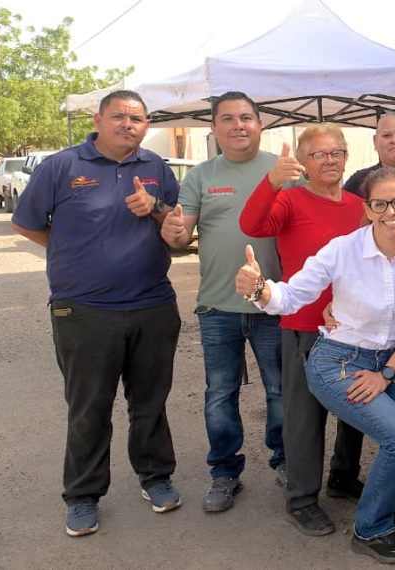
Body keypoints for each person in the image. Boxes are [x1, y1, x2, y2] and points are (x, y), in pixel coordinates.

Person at [236, 167, 395, 564]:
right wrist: (261, 289)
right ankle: (371, 528)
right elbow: (293, 295)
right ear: (366, 209)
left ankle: (389, 499)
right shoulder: (342, 249)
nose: (390, 212)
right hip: (338, 362)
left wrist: (386, 374)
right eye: (379, 204)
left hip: (389, 364)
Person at [11, 90, 183, 536]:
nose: (129, 124)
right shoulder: (63, 166)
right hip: (84, 310)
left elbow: (176, 228)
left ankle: (156, 476)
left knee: (150, 401)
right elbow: (26, 222)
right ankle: (83, 495)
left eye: (138, 118)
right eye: (120, 116)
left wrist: (159, 210)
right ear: (99, 119)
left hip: (152, 304)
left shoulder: (156, 168)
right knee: (89, 408)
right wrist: (72, 251)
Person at [159, 91, 286, 512]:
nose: (238, 125)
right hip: (217, 307)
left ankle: (285, 462)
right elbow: (181, 235)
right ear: (213, 128)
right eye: (228, 119)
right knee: (219, 394)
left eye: (246, 117)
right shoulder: (200, 176)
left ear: (260, 123)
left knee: (281, 391)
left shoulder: (282, 170)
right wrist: (174, 232)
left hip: (273, 305)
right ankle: (225, 473)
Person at [239, 124, 366, 536]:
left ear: (347, 157)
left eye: (336, 153)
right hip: (304, 326)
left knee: (356, 410)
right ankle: (302, 498)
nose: (329, 160)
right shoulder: (291, 199)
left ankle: (344, 478)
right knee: (304, 417)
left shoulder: (359, 205)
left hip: (353, 327)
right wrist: (272, 180)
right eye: (319, 155)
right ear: (304, 163)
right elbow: (252, 224)